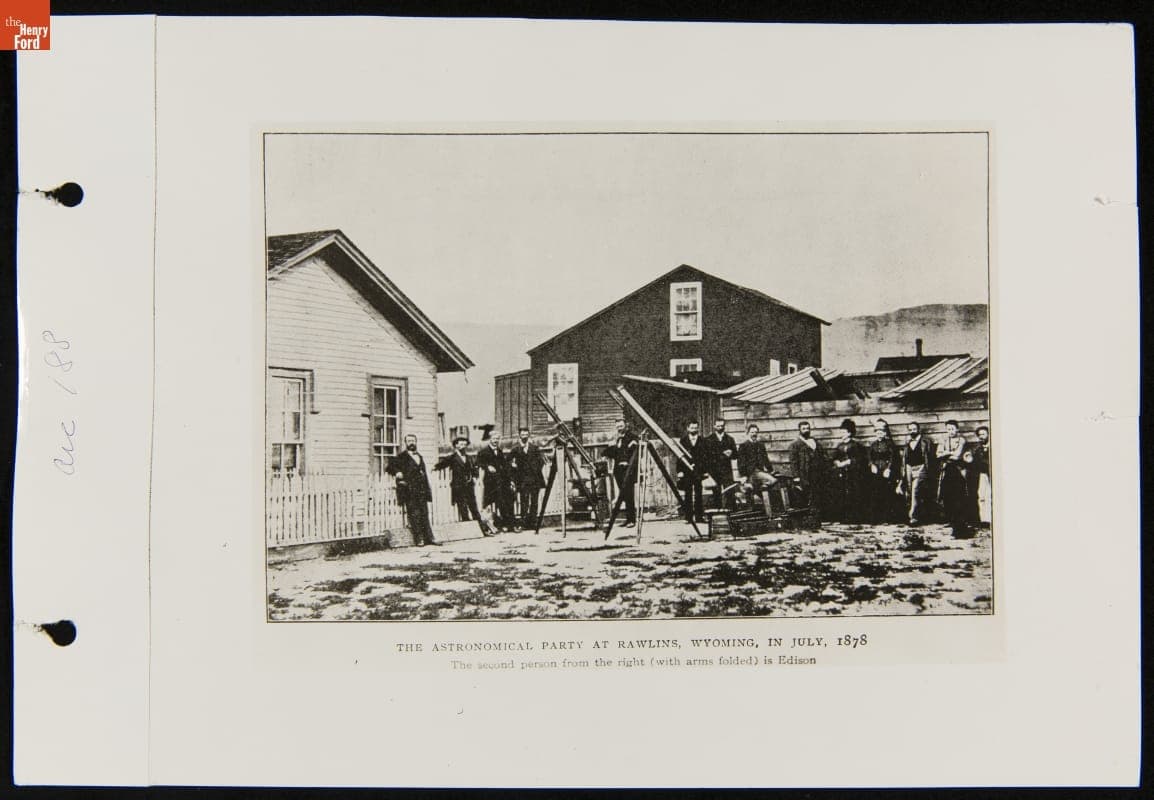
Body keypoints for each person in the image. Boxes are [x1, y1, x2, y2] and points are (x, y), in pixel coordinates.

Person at [434, 436, 494, 536]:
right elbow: (443, 463)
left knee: (474, 508)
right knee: (463, 509)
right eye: (460, 444)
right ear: (456, 446)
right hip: (458, 487)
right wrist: (435, 467)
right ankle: (469, 532)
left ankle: (482, 531)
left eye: (464, 444)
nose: (463, 446)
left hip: (469, 486)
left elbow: (474, 468)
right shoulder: (452, 457)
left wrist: (475, 475)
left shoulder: (469, 457)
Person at [386, 434, 439, 547]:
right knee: (414, 515)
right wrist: (397, 472)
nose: (411, 443)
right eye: (409, 441)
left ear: (416, 442)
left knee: (424, 514)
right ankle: (419, 539)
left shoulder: (419, 456)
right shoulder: (401, 457)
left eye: (413, 441)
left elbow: (423, 474)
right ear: (405, 443)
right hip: (409, 491)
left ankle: (430, 538)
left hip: (421, 491)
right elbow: (389, 466)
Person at [936, 419, 972, 537]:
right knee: (946, 495)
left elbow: (957, 456)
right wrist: (948, 453)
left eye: (952, 429)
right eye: (948, 429)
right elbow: (938, 454)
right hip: (947, 469)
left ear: (957, 429)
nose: (950, 431)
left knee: (959, 495)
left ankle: (961, 521)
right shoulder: (943, 439)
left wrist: (946, 453)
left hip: (958, 470)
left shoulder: (961, 440)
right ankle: (951, 519)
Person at [475, 431, 516, 532]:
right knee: (500, 502)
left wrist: (510, 480)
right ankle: (503, 525)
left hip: (502, 482)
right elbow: (477, 464)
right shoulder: (483, 452)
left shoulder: (500, 451)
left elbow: (505, 468)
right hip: (490, 484)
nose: (495, 441)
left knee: (510, 499)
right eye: (494, 438)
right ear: (490, 439)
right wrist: (487, 466)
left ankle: (510, 524)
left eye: (497, 439)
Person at [831, 419, 869, 523]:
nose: (841, 434)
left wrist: (849, 462)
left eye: (844, 432)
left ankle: (855, 518)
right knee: (843, 495)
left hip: (854, 475)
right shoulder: (839, 446)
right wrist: (837, 462)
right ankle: (844, 518)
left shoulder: (856, 446)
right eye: (841, 432)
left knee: (855, 494)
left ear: (849, 433)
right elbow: (834, 458)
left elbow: (861, 459)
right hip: (842, 475)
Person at [603, 419, 639, 527]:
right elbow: (613, 452)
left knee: (629, 495)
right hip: (618, 471)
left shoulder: (632, 437)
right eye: (618, 426)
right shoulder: (617, 439)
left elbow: (634, 452)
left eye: (621, 426)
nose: (619, 428)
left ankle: (632, 520)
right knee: (624, 495)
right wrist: (605, 453)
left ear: (626, 426)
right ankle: (628, 519)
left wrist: (626, 461)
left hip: (628, 470)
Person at [737, 423, 779, 515]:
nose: (754, 434)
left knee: (773, 481)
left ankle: (768, 510)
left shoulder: (760, 445)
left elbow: (765, 459)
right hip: (750, 473)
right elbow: (740, 462)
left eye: (756, 432)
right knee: (750, 490)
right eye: (752, 432)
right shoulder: (743, 445)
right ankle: (750, 511)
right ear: (748, 433)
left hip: (759, 472)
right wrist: (743, 475)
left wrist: (770, 470)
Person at [509, 427, 546, 530]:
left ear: (528, 435)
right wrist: (513, 466)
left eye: (526, 434)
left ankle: (533, 523)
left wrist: (535, 469)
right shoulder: (515, 449)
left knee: (534, 502)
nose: (524, 436)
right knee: (524, 501)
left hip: (535, 479)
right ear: (519, 435)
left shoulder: (534, 448)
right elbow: (508, 461)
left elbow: (541, 461)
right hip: (522, 480)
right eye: (522, 434)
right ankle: (524, 523)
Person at [867, 418, 902, 523]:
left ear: (885, 433)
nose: (879, 434)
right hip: (876, 471)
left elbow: (892, 457)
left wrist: (889, 469)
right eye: (877, 432)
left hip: (886, 471)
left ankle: (887, 518)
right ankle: (877, 518)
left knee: (887, 494)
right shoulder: (873, 445)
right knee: (876, 494)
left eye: (881, 432)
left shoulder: (889, 444)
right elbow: (869, 457)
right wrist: (872, 465)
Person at [901, 421, 937, 525]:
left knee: (915, 490)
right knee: (909, 491)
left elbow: (930, 458)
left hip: (921, 468)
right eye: (910, 429)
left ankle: (913, 517)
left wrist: (927, 470)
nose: (912, 431)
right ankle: (914, 515)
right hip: (909, 468)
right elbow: (905, 458)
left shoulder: (926, 442)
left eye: (914, 429)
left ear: (918, 430)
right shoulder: (907, 443)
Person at [788, 421, 825, 517]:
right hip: (804, 474)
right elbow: (793, 462)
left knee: (816, 495)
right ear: (799, 430)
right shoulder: (795, 445)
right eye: (804, 429)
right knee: (805, 495)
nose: (806, 430)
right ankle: (808, 518)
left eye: (808, 428)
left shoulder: (815, 442)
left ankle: (817, 516)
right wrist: (796, 477)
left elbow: (822, 455)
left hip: (817, 474)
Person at [676, 421, 708, 523]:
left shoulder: (702, 440)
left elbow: (706, 457)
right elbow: (679, 457)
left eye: (696, 428)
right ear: (688, 429)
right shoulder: (683, 441)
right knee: (688, 494)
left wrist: (705, 471)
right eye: (692, 428)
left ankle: (699, 517)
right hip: (686, 471)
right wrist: (680, 471)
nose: (694, 430)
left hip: (698, 471)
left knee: (698, 494)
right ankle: (688, 517)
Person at [705, 419, 738, 510]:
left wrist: (731, 453)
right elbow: (707, 456)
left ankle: (731, 512)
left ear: (724, 426)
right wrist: (722, 454)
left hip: (726, 470)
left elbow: (735, 456)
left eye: (722, 426)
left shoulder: (730, 439)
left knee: (730, 491)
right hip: (714, 470)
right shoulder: (708, 440)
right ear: (714, 426)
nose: (720, 428)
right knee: (716, 492)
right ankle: (717, 513)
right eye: (718, 426)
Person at [972, 425, 992, 526]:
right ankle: (984, 520)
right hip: (981, 474)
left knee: (990, 496)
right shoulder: (977, 448)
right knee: (982, 496)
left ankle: (991, 519)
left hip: (991, 474)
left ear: (989, 434)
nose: (981, 437)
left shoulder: (994, 446)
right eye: (979, 435)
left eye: (983, 434)